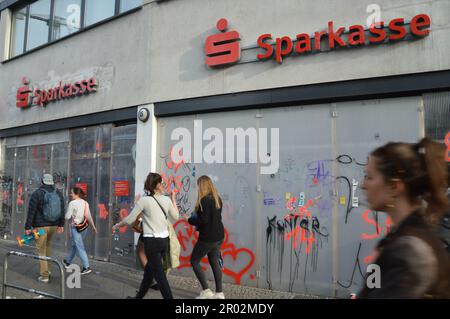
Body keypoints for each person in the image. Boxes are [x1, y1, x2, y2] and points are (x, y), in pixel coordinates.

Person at [359, 137, 450, 299]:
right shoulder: (397, 237)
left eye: (369, 177)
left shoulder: (412, 251)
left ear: (394, 187)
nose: (363, 185)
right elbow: (373, 288)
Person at [112, 173, 179, 299]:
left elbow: (129, 219)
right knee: (149, 272)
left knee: (160, 276)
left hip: (152, 243)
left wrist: (116, 226)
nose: (163, 185)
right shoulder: (166, 199)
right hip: (164, 241)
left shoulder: (144, 201)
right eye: (161, 183)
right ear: (157, 185)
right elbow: (176, 216)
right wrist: (173, 198)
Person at [188, 175, 225, 299]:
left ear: (202, 186)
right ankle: (219, 293)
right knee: (214, 261)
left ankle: (206, 290)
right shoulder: (217, 198)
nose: (198, 188)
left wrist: (190, 220)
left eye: (199, 185)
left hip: (208, 238)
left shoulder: (204, 200)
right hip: (219, 236)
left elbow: (203, 220)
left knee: (194, 261)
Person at [25, 174, 65, 283]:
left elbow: (31, 211)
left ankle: (44, 275)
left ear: (42, 181)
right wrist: (61, 225)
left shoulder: (37, 193)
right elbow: (62, 210)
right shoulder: (58, 193)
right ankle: (49, 270)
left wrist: (28, 227)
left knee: (41, 249)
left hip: (41, 227)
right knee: (47, 246)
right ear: (52, 182)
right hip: (53, 226)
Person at [63, 187, 97, 275]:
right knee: (75, 245)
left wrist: (65, 214)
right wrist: (93, 226)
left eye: (72, 193)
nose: (70, 194)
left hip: (76, 228)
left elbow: (67, 217)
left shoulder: (72, 203)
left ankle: (86, 267)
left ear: (76, 194)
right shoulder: (85, 203)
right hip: (84, 227)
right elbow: (88, 216)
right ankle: (67, 261)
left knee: (80, 247)